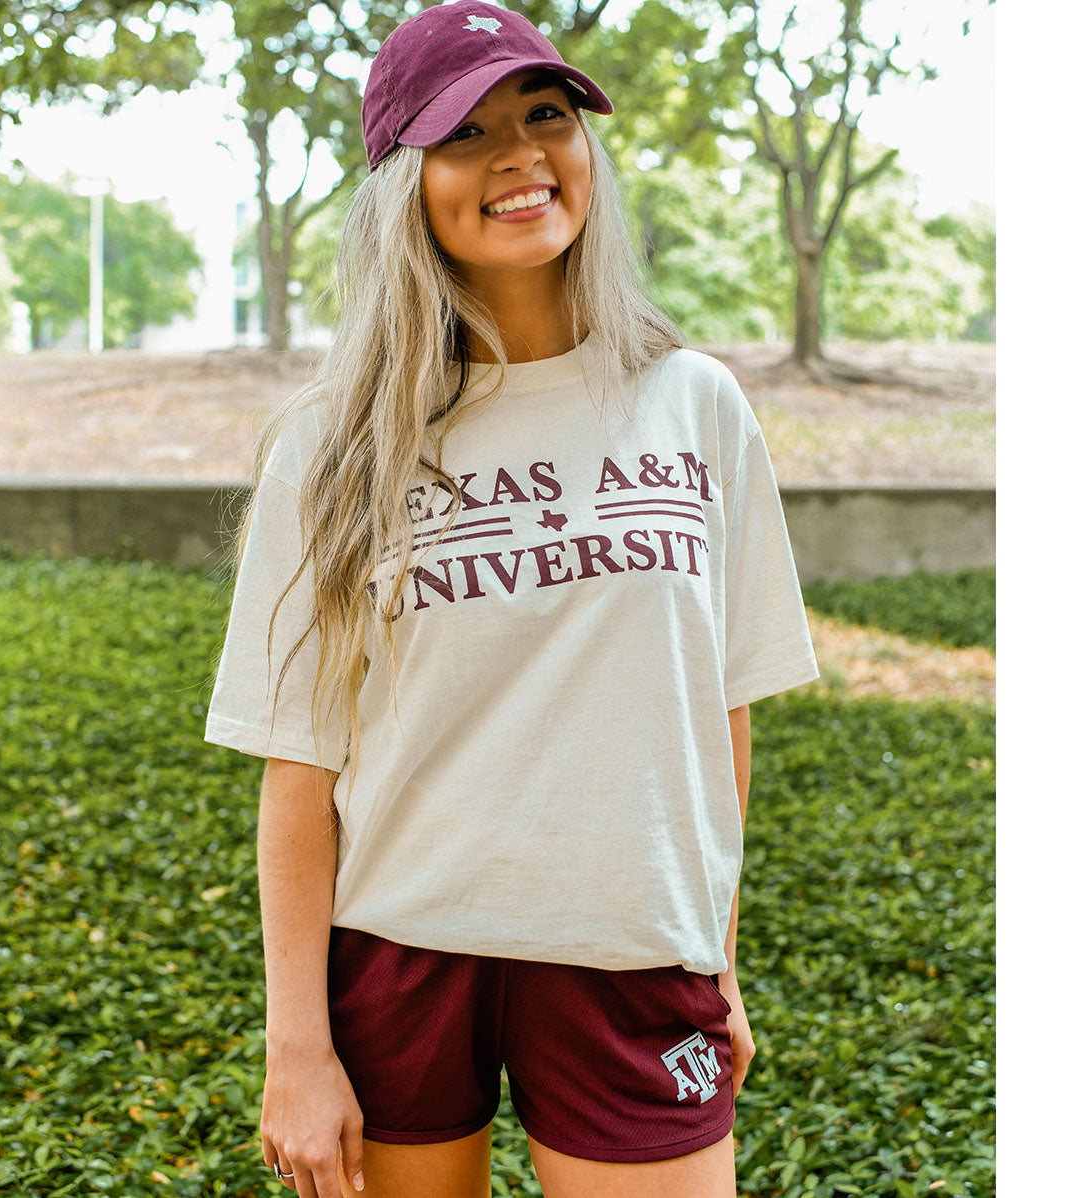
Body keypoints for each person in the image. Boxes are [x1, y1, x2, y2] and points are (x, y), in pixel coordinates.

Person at [205, 3, 819, 1195]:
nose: (519, 155)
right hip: (400, 946)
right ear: (403, 183)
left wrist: (719, 955)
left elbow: (718, 716)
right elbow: (299, 765)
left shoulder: (694, 403)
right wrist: (297, 1043)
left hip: (632, 949)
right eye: (466, 132)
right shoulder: (333, 444)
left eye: (546, 116)